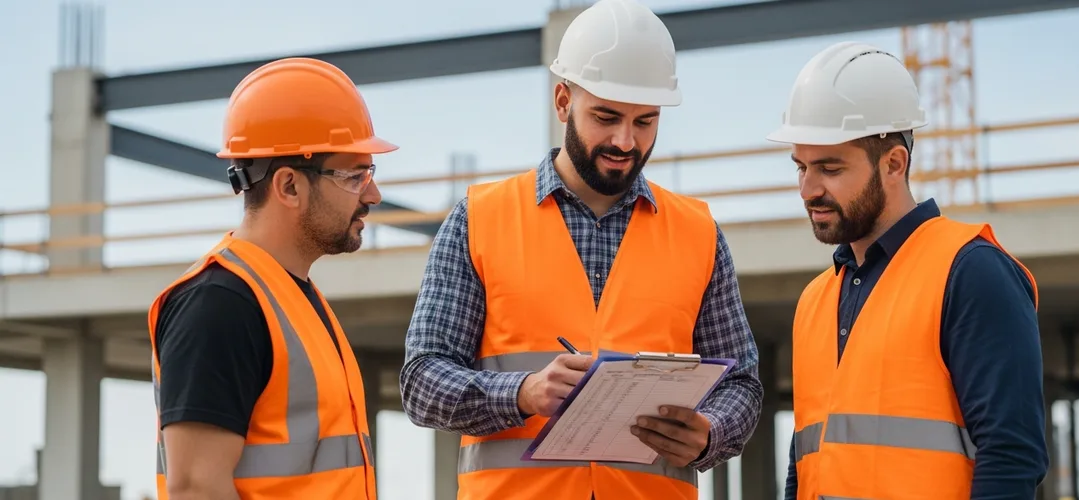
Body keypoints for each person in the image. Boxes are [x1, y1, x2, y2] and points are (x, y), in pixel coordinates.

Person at [398, 0, 763, 499]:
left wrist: (709, 432)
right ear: (563, 101)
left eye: (645, 122)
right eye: (606, 116)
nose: (624, 140)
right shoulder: (479, 219)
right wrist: (521, 393)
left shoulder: (698, 232)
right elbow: (422, 381)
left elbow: (740, 383)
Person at [767, 42, 1049, 499]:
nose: (807, 188)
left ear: (894, 163)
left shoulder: (971, 271)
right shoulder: (814, 301)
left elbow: (1012, 455)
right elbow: (804, 468)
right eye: (800, 166)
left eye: (829, 168)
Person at [147, 57, 395, 500]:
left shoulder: (291, 297)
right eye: (355, 176)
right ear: (289, 187)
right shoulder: (219, 304)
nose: (373, 195)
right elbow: (195, 489)